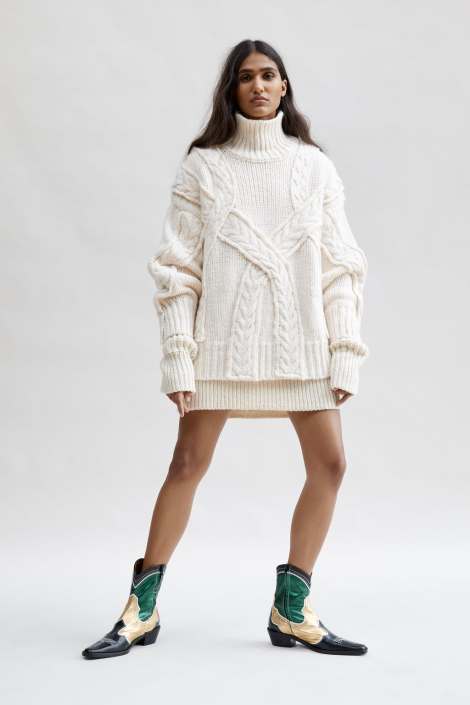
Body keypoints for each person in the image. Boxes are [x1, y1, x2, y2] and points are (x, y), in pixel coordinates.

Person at [82, 38, 370, 660]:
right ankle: (140, 611)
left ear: (285, 86)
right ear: (231, 89)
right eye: (246, 77)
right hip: (220, 349)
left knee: (331, 466)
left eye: (269, 75)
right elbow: (177, 269)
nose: (259, 86)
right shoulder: (204, 166)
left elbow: (340, 267)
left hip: (303, 347)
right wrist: (177, 356)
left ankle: (292, 609)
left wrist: (345, 347)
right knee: (187, 465)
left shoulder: (314, 167)